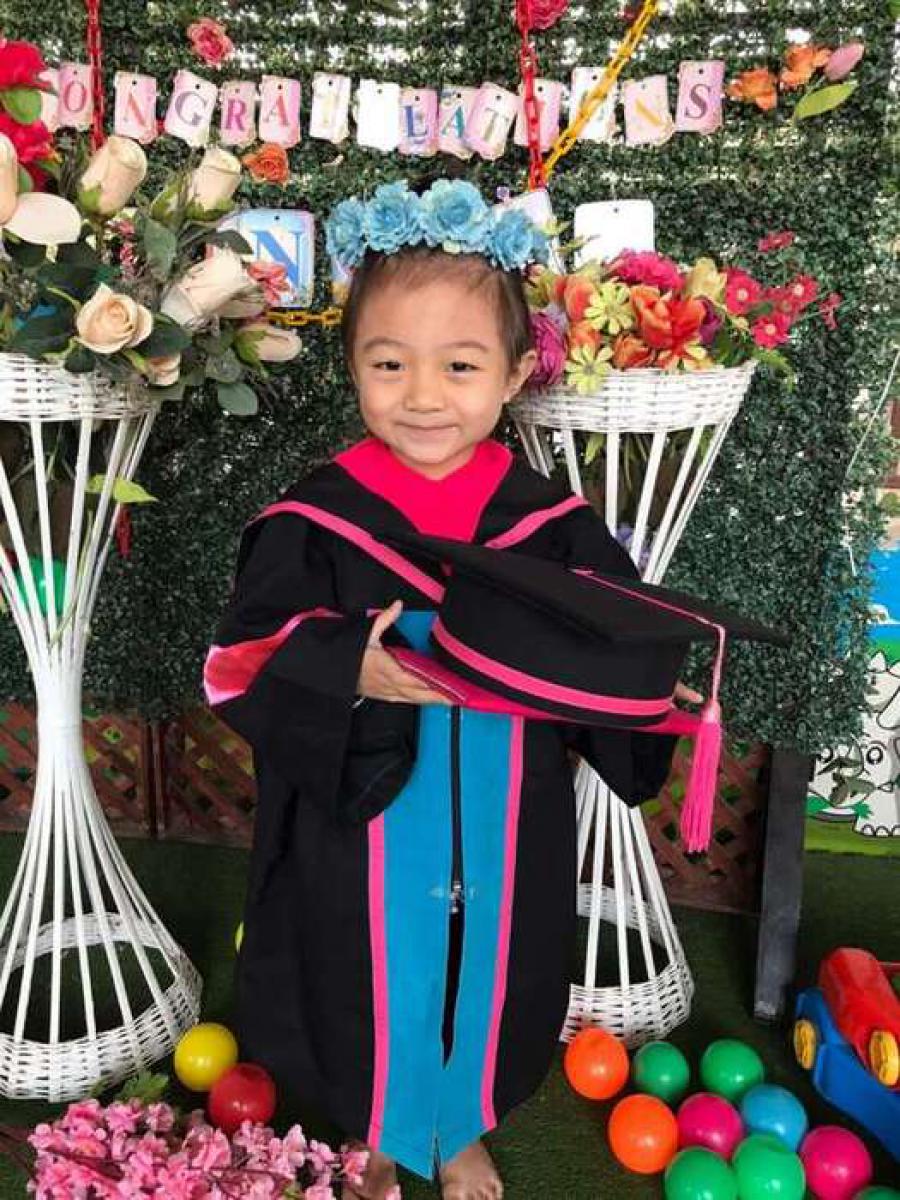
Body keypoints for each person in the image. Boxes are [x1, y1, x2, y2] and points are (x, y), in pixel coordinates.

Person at [204, 179, 697, 1200]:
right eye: (388, 363)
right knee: (362, 965)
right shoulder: (317, 519)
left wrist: (648, 685)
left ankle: (459, 1120)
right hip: (364, 822)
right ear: (352, 366)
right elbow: (241, 657)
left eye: (460, 365)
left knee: (493, 958)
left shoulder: (549, 525)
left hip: (507, 819)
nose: (423, 395)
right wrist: (347, 663)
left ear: (515, 372)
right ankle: (381, 1126)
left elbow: (617, 646)